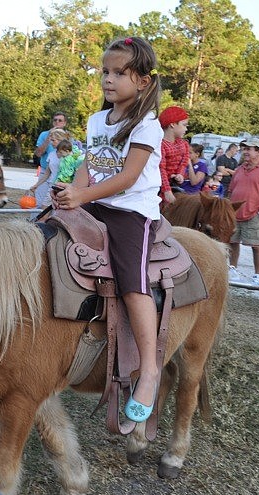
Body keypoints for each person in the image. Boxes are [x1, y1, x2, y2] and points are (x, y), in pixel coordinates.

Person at [52, 36, 163, 423]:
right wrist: (74, 191)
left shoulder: (147, 125)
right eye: (105, 71)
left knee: (133, 283)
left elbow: (129, 178)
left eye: (119, 72)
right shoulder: (97, 120)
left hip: (131, 211)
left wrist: (83, 195)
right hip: (97, 200)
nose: (108, 79)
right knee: (45, 231)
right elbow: (90, 162)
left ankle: (149, 369)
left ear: (143, 82)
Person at [227, 138, 259, 285]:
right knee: (232, 242)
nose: (245, 152)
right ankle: (232, 270)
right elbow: (231, 190)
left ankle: (257, 275)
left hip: (254, 215)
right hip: (235, 214)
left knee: (256, 246)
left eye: (248, 149)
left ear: (258, 151)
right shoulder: (239, 169)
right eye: (244, 149)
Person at [29, 128, 69, 206]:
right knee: (44, 211)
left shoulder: (70, 155)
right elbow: (47, 174)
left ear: (60, 140)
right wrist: (36, 185)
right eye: (51, 140)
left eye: (53, 140)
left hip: (64, 188)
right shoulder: (51, 154)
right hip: (53, 187)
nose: (51, 143)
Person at [157, 105, 189, 203]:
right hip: (160, 188)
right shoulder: (160, 144)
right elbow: (160, 168)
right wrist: (167, 190)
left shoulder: (183, 144)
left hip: (175, 185)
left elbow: (184, 161)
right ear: (172, 125)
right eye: (184, 125)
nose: (186, 129)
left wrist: (180, 174)